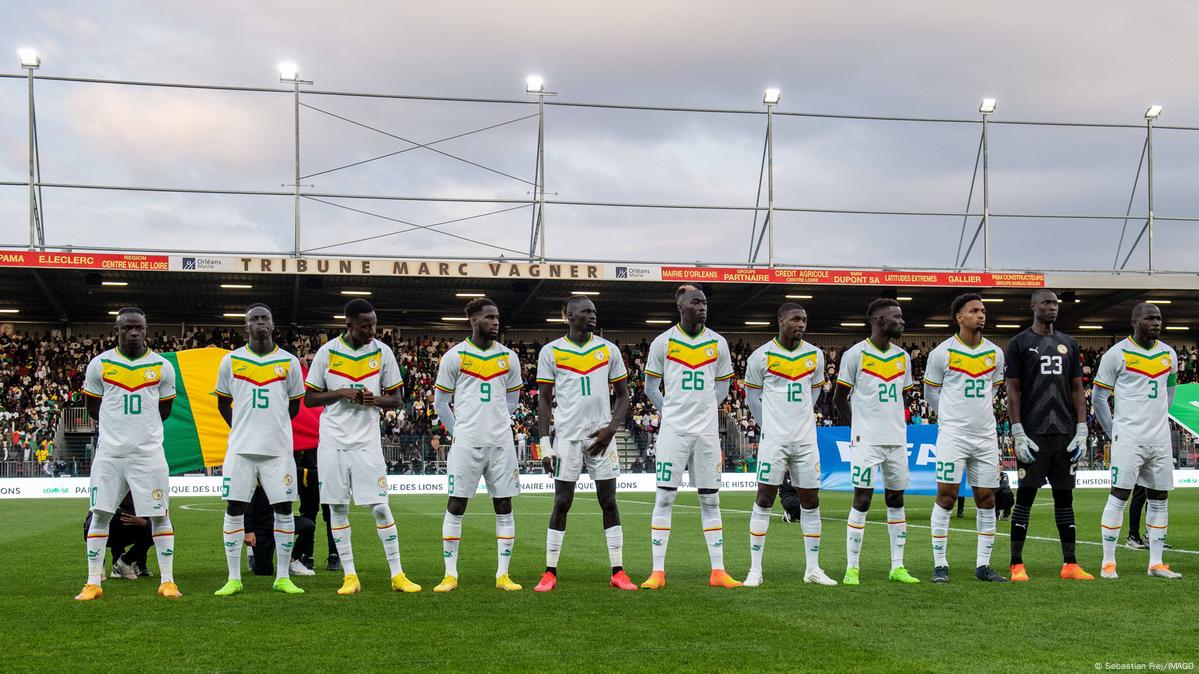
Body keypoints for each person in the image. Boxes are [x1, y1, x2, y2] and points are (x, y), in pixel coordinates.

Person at [304, 299, 418, 595]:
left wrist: (374, 400)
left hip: (367, 442)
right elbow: (310, 399)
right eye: (366, 325)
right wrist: (342, 392)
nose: (372, 330)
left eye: (374, 324)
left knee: (380, 506)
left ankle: (397, 574)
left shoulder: (383, 352)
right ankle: (350, 576)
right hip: (333, 442)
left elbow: (397, 399)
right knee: (338, 507)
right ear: (349, 325)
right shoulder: (327, 352)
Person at [76, 307, 181, 601]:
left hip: (148, 455)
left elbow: (165, 410)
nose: (134, 333)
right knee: (100, 514)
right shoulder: (100, 364)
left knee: (160, 515)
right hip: (109, 454)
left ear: (146, 329)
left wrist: (140, 433)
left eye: (139, 328)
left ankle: (168, 581)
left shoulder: (162, 366)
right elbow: (93, 408)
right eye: (127, 328)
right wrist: (118, 431)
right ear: (117, 330)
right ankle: (93, 582)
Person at [640, 285, 741, 590]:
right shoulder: (663, 342)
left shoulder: (718, 343)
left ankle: (718, 571)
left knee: (711, 499)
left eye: (705, 302)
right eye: (696, 302)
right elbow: (650, 388)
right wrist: (669, 412)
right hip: (674, 431)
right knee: (666, 496)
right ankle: (658, 571)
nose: (702, 307)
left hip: (707, 433)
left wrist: (710, 408)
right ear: (681, 307)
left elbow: (723, 385)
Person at [533, 296, 636, 592]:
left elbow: (624, 394)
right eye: (586, 311)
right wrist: (545, 443)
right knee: (562, 502)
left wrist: (610, 430)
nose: (593, 316)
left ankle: (618, 570)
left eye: (595, 311)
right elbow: (543, 398)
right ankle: (549, 572)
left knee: (609, 501)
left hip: (601, 438)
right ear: (569, 315)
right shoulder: (551, 351)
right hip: (566, 438)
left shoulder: (608, 350)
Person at [212, 304, 306, 596]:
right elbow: (221, 404)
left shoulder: (289, 362)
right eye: (254, 319)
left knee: (284, 509)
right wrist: (244, 426)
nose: (260, 322)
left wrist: (272, 427)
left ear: (273, 324)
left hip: (278, 450)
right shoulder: (231, 361)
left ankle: (282, 577)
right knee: (235, 508)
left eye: (265, 317)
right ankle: (233, 578)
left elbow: (293, 405)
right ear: (246, 327)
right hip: (240, 449)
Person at [432, 297, 525, 592]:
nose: (495, 322)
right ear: (473, 320)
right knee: (456, 504)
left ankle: (503, 575)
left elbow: (512, 399)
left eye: (497, 317)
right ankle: (450, 574)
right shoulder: (455, 356)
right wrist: (460, 431)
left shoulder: (509, 357)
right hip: (467, 444)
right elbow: (441, 403)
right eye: (489, 317)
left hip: (501, 444)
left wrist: (498, 422)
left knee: (504, 505)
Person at [741, 302, 836, 586]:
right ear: (780, 320)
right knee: (765, 498)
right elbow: (751, 398)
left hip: (806, 441)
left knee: (811, 501)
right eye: (795, 319)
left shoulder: (815, 356)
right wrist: (770, 426)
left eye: (804, 320)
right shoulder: (761, 356)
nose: (801, 324)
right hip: (775, 440)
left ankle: (813, 569)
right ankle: (755, 570)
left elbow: (815, 392)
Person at [1004, 289, 1093, 582]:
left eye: (1055, 303)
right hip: (1033, 432)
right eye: (1046, 302)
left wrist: (1081, 427)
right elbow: (1013, 390)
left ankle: (1070, 564)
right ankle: (1016, 564)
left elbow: (1077, 388)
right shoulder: (1019, 343)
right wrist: (1018, 430)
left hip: (1065, 433)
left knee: (1064, 497)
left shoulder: (1069, 342)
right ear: (1033, 306)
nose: (1052, 307)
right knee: (1026, 496)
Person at [922, 293, 1008, 583]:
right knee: (946, 497)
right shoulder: (941, 353)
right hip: (953, 436)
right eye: (974, 311)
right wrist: (951, 416)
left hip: (985, 437)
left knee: (986, 498)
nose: (981, 315)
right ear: (959, 317)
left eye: (983, 310)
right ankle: (940, 564)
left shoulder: (995, 353)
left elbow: (994, 389)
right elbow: (931, 393)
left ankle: (983, 565)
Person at [834, 298, 919, 586]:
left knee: (896, 499)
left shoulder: (902, 358)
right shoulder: (855, 355)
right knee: (863, 498)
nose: (902, 321)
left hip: (896, 439)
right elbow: (838, 399)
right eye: (897, 316)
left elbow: (904, 397)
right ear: (880, 320)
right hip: (866, 441)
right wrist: (860, 427)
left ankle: (898, 566)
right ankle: (852, 568)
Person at [1093, 303, 1181, 579]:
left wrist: (1158, 420)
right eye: (1150, 318)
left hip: (1159, 439)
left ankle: (1156, 563)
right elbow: (1098, 398)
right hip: (1128, 438)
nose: (1156, 322)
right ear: (1134, 322)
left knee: (1159, 498)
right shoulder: (1116, 354)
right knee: (1119, 495)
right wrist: (1113, 431)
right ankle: (1109, 562)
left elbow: (1170, 393)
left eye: (1159, 318)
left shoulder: (1169, 354)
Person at [82, 492, 151, 581]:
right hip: (109, 531)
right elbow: (89, 527)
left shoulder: (141, 497)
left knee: (156, 530)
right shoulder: (104, 498)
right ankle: (98, 566)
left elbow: (159, 523)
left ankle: (125, 562)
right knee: (96, 522)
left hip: (127, 532)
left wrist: (144, 523)